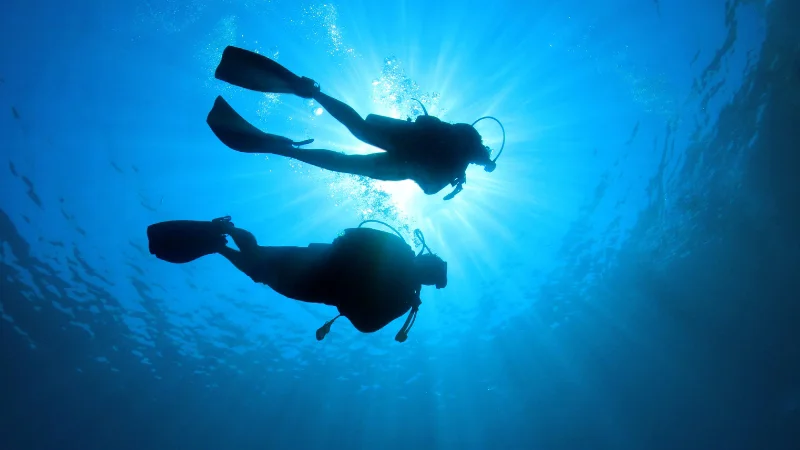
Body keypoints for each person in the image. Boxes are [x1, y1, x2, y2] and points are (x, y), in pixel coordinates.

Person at [206, 45, 505, 200]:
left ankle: (311, 94)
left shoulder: (463, 145)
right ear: (481, 157)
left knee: (357, 131)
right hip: (405, 154)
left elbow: (426, 124)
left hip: (404, 144)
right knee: (346, 159)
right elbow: (429, 186)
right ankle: (290, 147)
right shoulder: (459, 161)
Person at [146, 216, 447, 342]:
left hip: (312, 276)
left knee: (258, 268)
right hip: (313, 273)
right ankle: (224, 237)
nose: (425, 271)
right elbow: (351, 236)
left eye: (430, 273)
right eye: (430, 269)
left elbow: (366, 324)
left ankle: (221, 241)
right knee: (259, 264)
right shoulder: (403, 288)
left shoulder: (404, 295)